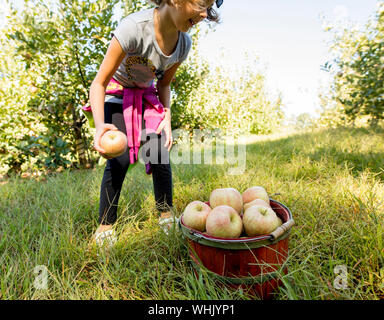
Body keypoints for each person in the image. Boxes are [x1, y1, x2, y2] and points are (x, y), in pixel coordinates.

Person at [88, 0, 222, 246]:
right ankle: (105, 227)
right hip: (117, 95)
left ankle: (166, 217)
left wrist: (166, 116)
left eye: (210, 6)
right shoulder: (133, 28)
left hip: (148, 97)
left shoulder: (183, 44)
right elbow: (99, 83)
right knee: (119, 159)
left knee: (158, 151)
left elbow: (164, 84)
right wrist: (100, 127)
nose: (205, 14)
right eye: (202, 4)